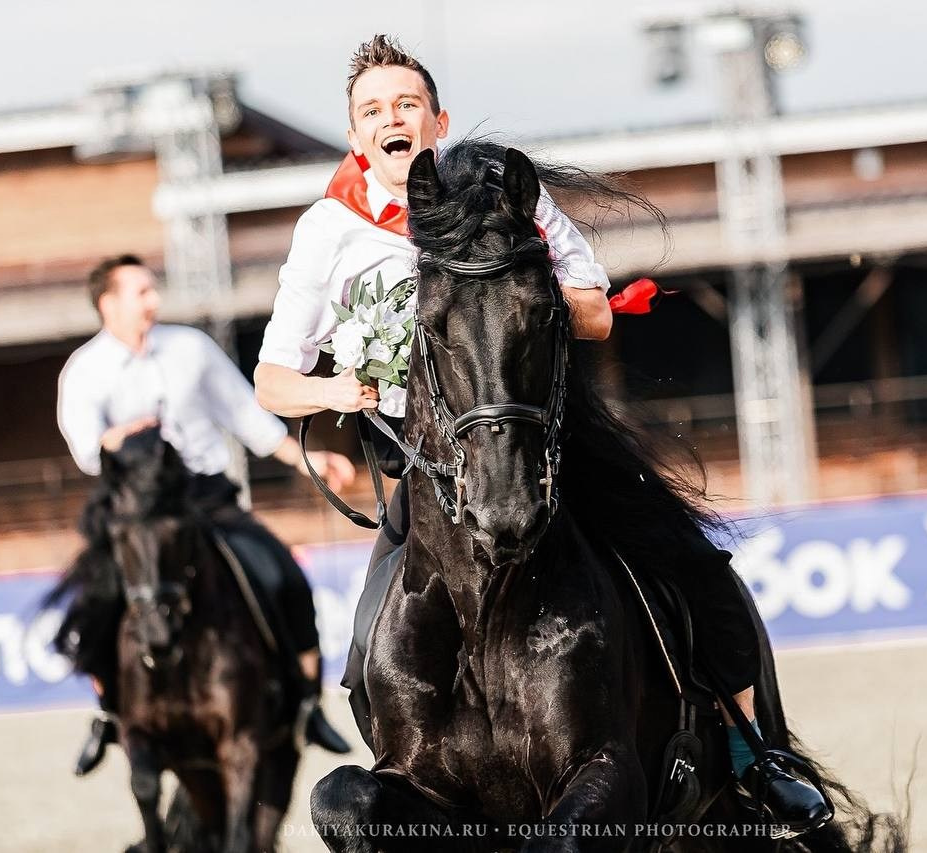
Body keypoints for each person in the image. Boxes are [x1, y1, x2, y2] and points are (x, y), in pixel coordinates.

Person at [254, 35, 831, 835]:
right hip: (423, 469)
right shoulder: (328, 229)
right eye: (373, 111)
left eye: (406, 105)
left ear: (436, 120)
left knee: (698, 567)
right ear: (356, 137)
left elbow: (595, 312)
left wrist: (522, 289)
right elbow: (271, 379)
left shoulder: (504, 194)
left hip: (542, 436)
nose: (392, 119)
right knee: (364, 645)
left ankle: (756, 758)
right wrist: (335, 388)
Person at [57, 254, 355, 776]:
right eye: (140, 292)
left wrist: (311, 463)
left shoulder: (192, 348)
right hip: (138, 511)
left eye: (152, 290)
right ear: (108, 303)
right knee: (94, 606)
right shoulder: (84, 370)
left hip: (208, 499)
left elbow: (247, 418)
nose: (153, 299)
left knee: (282, 574)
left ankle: (309, 703)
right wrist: (125, 438)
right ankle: (108, 713)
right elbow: (86, 448)